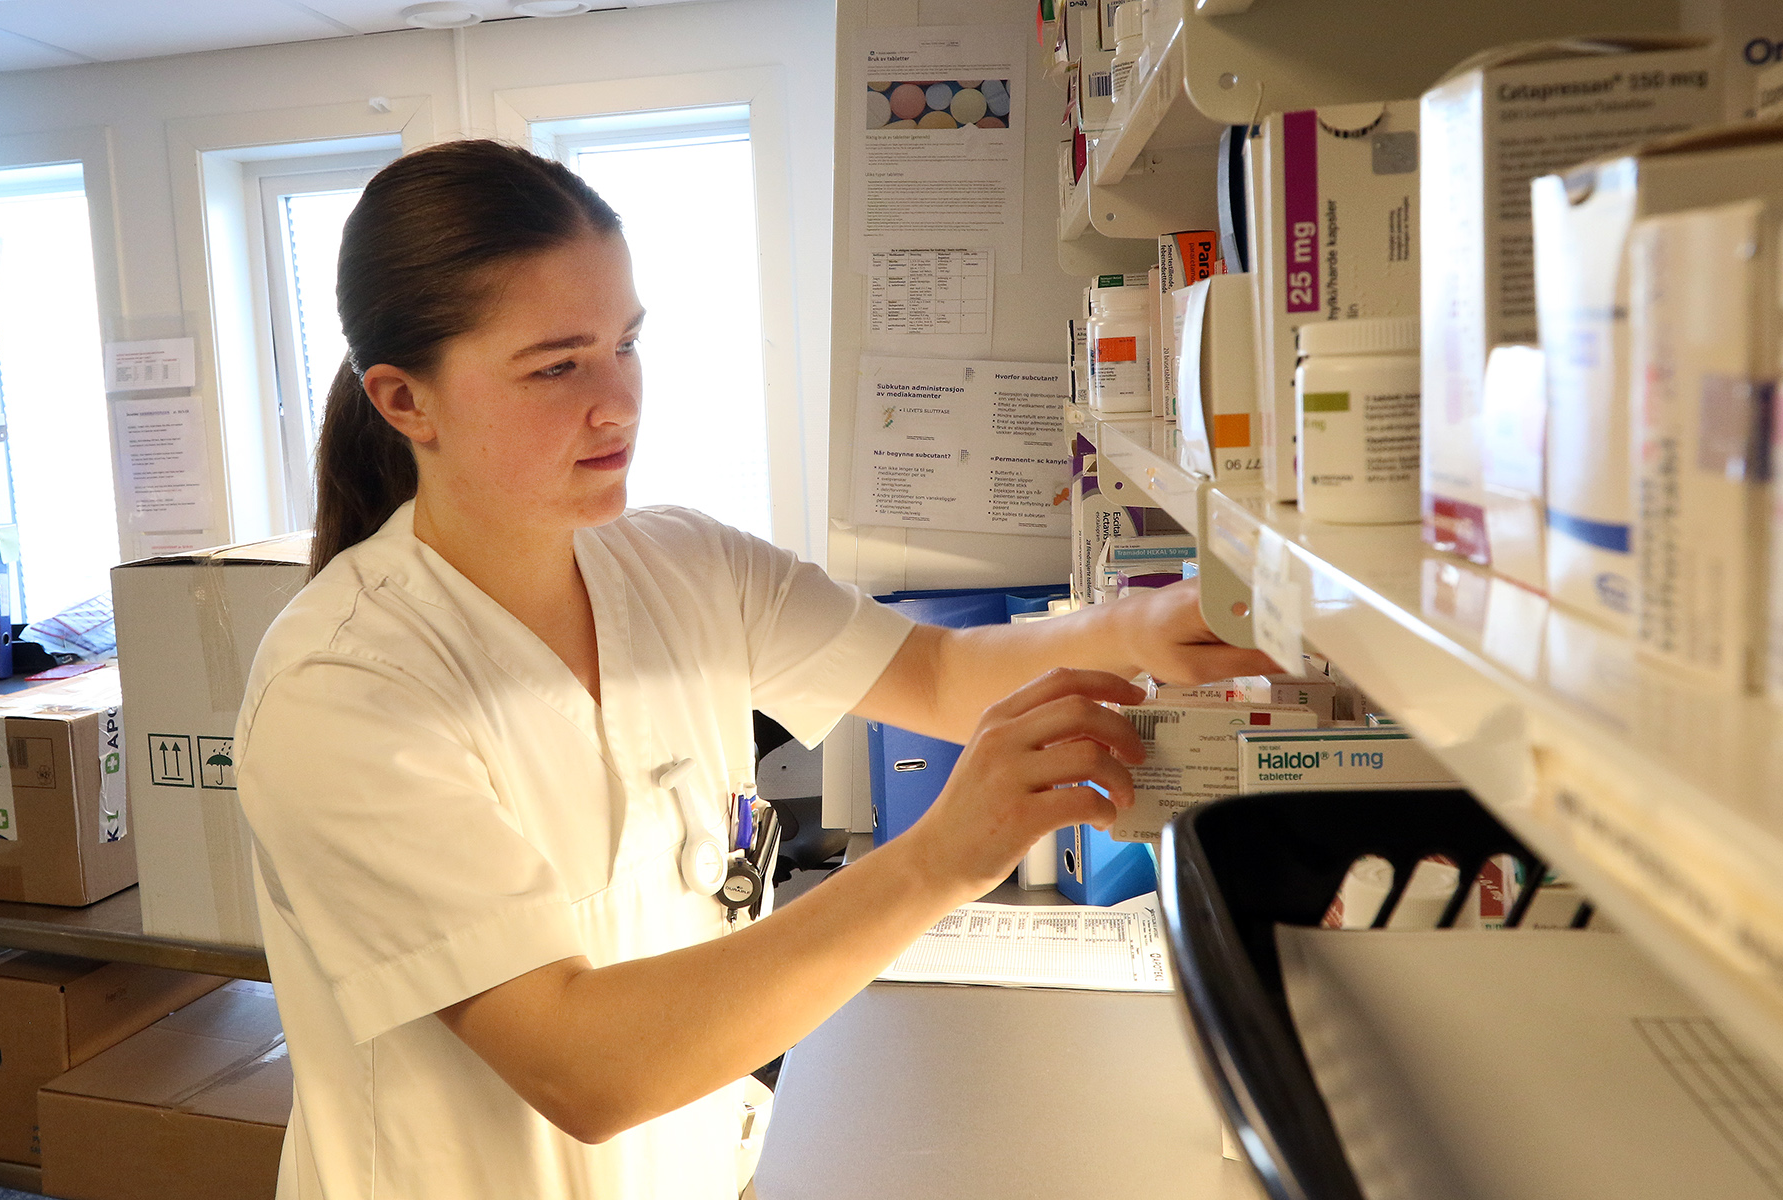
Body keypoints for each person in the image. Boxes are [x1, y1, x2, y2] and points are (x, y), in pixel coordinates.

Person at [234, 139, 1274, 1200]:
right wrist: (937, 859)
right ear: (406, 402)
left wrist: (1147, 627)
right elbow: (581, 1066)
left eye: (626, 344)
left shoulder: (682, 563)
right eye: (557, 366)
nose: (618, 403)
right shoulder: (343, 686)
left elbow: (942, 672)